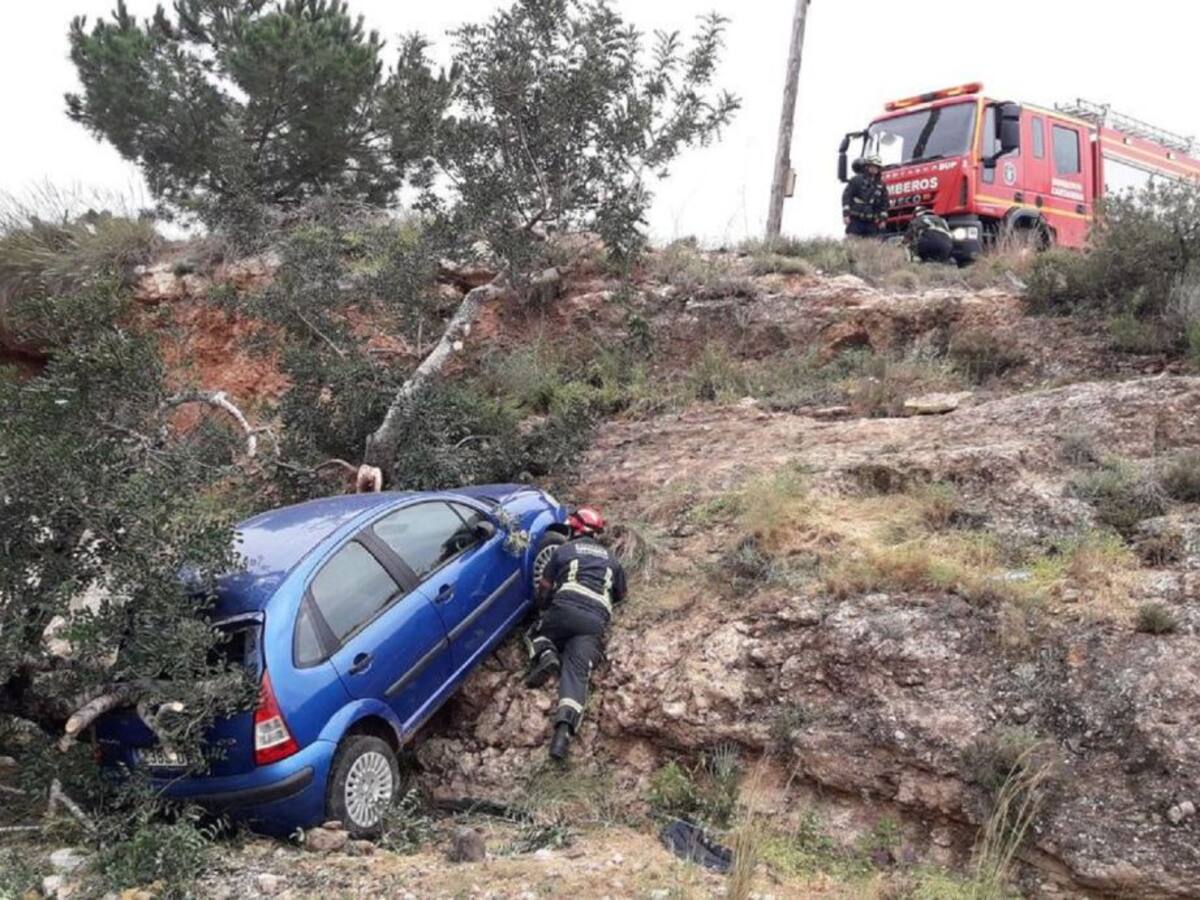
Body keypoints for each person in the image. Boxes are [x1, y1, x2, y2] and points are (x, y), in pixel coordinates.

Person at [525, 506, 627, 761]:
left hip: (564, 610)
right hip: (594, 623)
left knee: (536, 634)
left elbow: (544, 590)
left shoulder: (563, 551)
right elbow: (621, 594)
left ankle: (547, 654)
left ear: (574, 530)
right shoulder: (612, 559)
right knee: (577, 673)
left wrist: (542, 611)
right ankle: (562, 735)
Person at [842, 155, 890, 238]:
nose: (874, 169)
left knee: (872, 244)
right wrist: (846, 215)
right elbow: (847, 197)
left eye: (877, 167)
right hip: (856, 220)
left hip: (871, 222)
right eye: (872, 166)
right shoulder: (857, 180)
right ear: (867, 166)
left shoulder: (881, 185)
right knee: (852, 242)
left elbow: (884, 204)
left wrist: (883, 220)